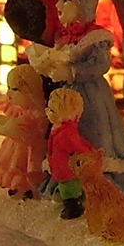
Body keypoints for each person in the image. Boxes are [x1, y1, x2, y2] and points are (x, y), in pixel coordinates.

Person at [26, 0, 124, 186]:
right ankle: (66, 177)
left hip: (90, 96)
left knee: (93, 132)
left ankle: (100, 176)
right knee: (62, 136)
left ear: (83, 4)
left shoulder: (95, 38)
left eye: (66, 0)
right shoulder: (63, 37)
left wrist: (71, 72)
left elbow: (100, 64)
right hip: (66, 97)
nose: (58, 5)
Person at [0, 65, 47, 197]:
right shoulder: (17, 109)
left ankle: (25, 188)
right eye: (9, 88)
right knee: (12, 165)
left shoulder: (38, 114)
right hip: (16, 147)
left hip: (29, 150)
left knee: (25, 168)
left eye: (15, 89)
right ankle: (11, 182)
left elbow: (36, 134)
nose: (9, 94)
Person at [43, 87, 94, 220]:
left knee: (69, 190)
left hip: (66, 170)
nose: (47, 112)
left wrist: (88, 153)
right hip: (61, 167)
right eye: (48, 108)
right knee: (67, 189)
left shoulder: (66, 133)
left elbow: (79, 147)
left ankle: (74, 208)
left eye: (52, 111)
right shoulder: (60, 128)